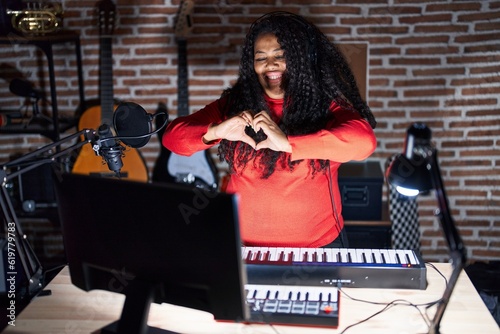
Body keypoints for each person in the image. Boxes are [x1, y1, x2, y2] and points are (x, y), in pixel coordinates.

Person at [162, 11, 377, 248]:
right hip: (243, 248)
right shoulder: (235, 104)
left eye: (280, 56)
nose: (270, 65)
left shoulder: (324, 106)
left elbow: (364, 142)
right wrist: (216, 131)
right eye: (260, 57)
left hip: (318, 248)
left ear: (299, 59)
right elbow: (173, 138)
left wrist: (287, 143)